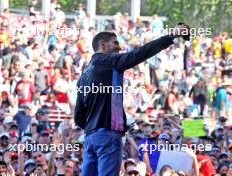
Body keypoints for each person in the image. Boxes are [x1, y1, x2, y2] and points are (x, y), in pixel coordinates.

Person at [74, 23, 190, 176]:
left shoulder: (84, 75)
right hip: (108, 134)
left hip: (90, 139)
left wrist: (93, 128)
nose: (119, 47)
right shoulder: (110, 61)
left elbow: (78, 115)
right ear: (102, 45)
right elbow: (141, 53)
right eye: (115, 43)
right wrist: (172, 35)